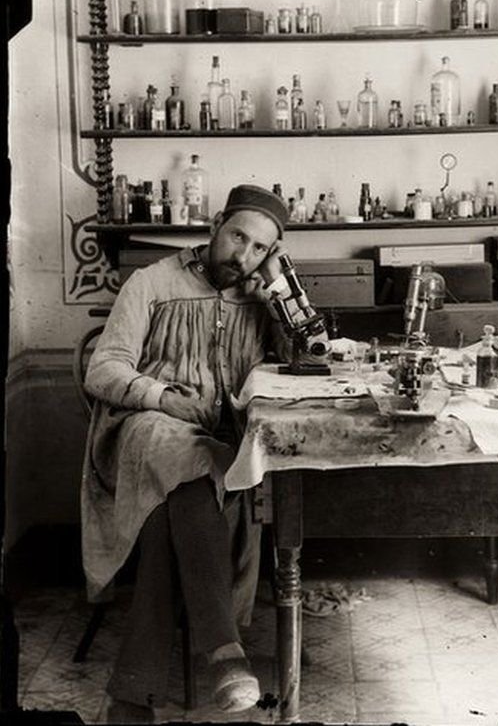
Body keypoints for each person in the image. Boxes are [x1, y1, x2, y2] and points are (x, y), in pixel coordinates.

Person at [81, 184, 317, 724]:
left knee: (171, 512)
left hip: (217, 442)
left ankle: (132, 692)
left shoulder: (259, 295)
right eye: (238, 237)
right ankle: (223, 649)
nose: (243, 255)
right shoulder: (151, 282)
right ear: (214, 226)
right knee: (192, 462)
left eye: (260, 248)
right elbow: (104, 369)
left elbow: (304, 359)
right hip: (144, 429)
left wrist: (279, 292)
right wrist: (161, 396)